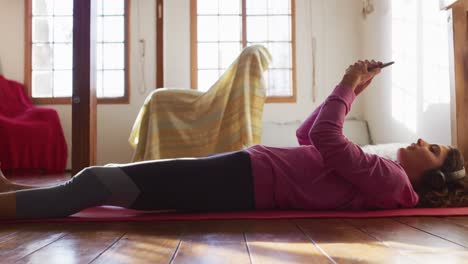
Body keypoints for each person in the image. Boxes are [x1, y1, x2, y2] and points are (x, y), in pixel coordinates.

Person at [0, 60, 465, 220]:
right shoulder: (381, 174)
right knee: (96, 181)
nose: (424, 140)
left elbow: (325, 133)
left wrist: (347, 82)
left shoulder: (390, 181)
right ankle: (14, 196)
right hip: (246, 171)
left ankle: (11, 206)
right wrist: (347, 92)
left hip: (244, 181)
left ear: (432, 177)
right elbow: (311, 137)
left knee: (98, 184)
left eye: (435, 149)